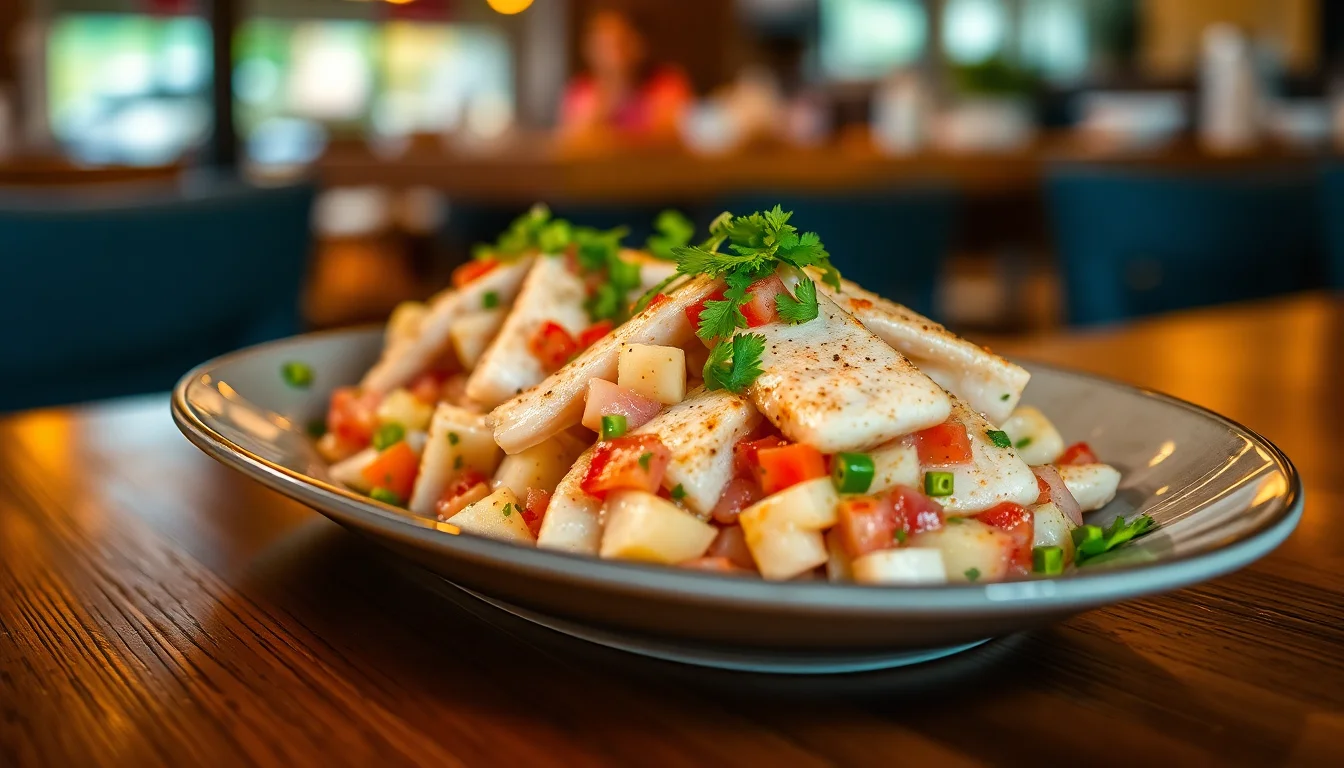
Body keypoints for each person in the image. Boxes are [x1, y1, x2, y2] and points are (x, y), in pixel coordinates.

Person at [558, 9, 693, 150]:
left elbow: (677, 135)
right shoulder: (581, 91)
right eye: (602, 45)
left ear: (639, 44)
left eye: (620, 42)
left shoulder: (666, 83)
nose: (612, 54)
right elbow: (571, 142)